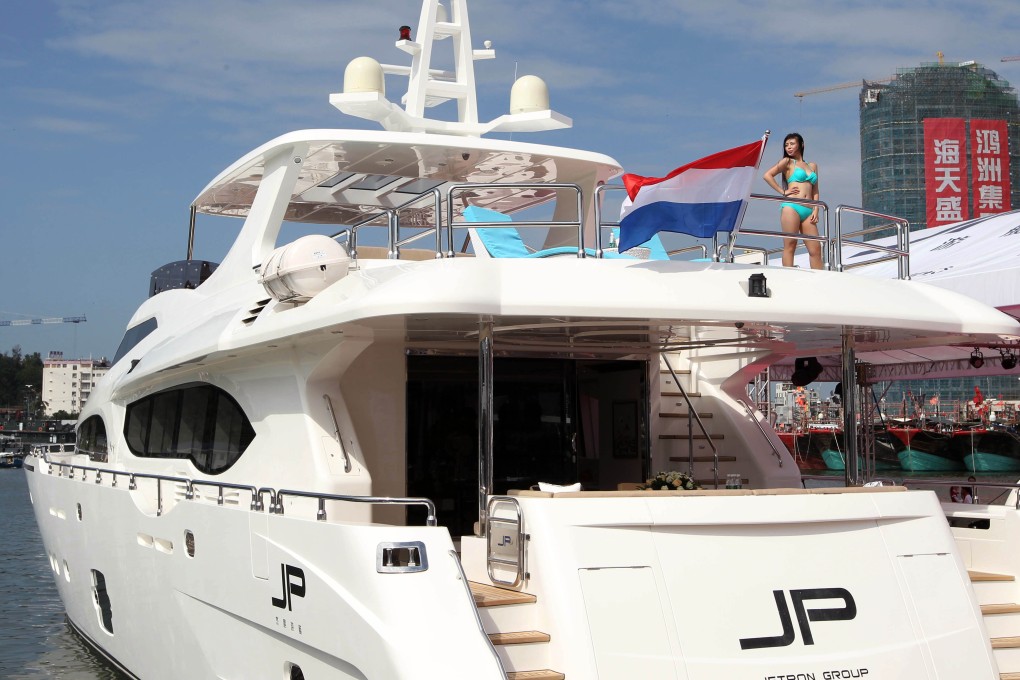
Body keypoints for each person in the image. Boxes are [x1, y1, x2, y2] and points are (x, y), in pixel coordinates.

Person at [762, 133, 822, 269]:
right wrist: (783, 191)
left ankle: (819, 281)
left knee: (816, 249)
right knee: (790, 245)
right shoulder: (787, 162)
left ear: (801, 144)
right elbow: (767, 175)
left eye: (792, 144)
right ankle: (788, 277)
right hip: (792, 207)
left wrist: (816, 209)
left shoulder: (812, 165)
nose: (788, 147)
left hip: (809, 210)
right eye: (786, 145)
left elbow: (816, 190)